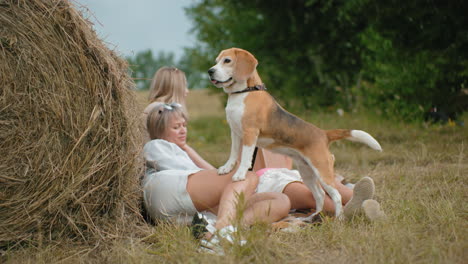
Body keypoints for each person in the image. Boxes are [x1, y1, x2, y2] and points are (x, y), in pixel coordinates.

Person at [142, 102, 291, 242]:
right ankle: (224, 227)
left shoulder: (180, 152)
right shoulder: (156, 145)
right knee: (245, 176)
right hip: (165, 192)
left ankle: (223, 229)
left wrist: (187, 148)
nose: (183, 131)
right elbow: (202, 175)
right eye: (176, 127)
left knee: (281, 201)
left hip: (186, 205)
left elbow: (211, 175)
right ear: (159, 130)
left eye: (184, 125)